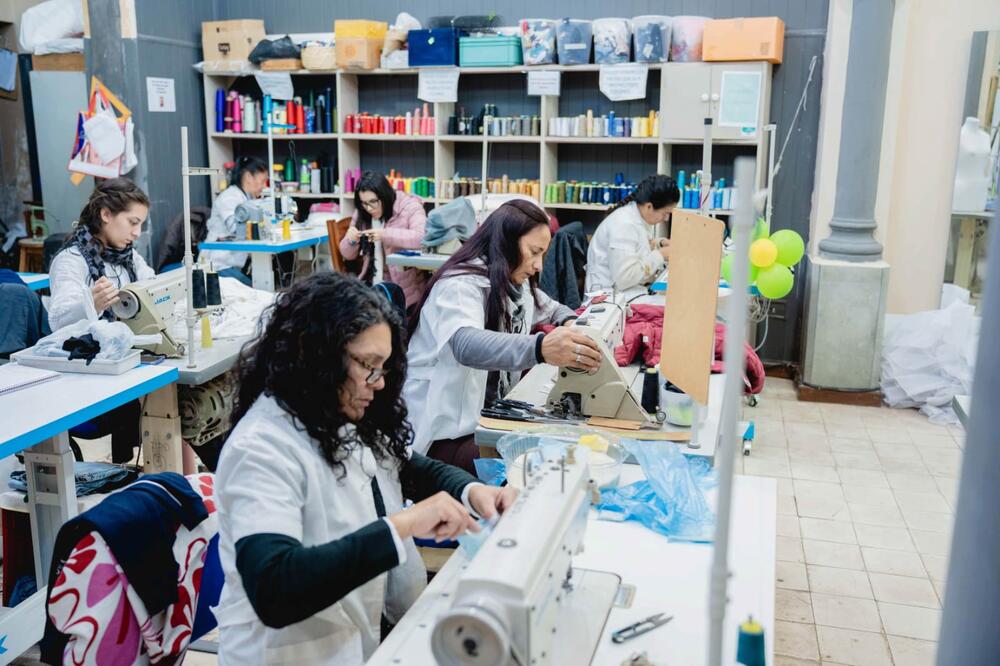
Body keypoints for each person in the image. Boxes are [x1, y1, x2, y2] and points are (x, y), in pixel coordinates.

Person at [214, 272, 516, 664]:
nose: (377, 383)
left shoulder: (340, 413)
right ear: (316, 356)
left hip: (362, 635)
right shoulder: (262, 449)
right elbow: (275, 588)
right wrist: (404, 525)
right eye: (367, 365)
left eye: (384, 367)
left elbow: (409, 468)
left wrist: (474, 492)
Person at [404, 200, 603, 474]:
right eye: (534, 252)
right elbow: (466, 345)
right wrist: (541, 348)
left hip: (477, 419)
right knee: (536, 467)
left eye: (543, 254)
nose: (538, 266)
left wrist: (570, 322)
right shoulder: (460, 285)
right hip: (442, 433)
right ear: (505, 242)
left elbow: (552, 308)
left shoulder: (514, 285)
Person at [340, 171, 429, 311]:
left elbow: (422, 238)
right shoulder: (362, 213)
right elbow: (347, 255)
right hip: (372, 286)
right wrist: (351, 241)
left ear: (385, 195)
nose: (369, 208)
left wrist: (384, 235)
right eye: (364, 203)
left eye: (373, 202)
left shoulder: (409, 207)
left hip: (404, 290)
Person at [585, 174, 680, 299]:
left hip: (624, 292)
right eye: (665, 213)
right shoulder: (624, 224)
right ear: (649, 206)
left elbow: (636, 244)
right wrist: (660, 255)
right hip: (610, 298)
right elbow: (624, 278)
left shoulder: (635, 215)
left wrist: (659, 243)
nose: (666, 219)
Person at [200, 156, 269, 285]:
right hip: (217, 266)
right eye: (263, 180)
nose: (264, 186)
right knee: (255, 291)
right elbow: (237, 229)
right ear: (249, 177)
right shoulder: (229, 198)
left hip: (232, 266)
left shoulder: (245, 198)